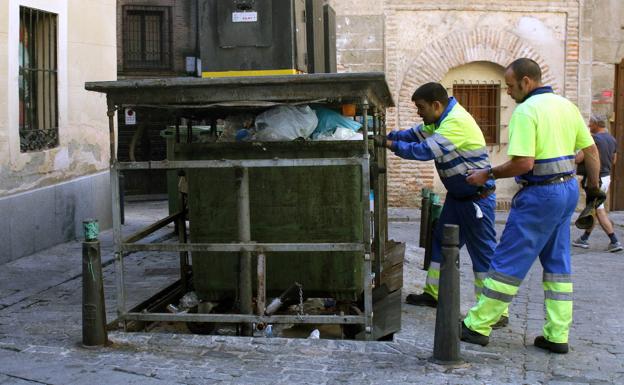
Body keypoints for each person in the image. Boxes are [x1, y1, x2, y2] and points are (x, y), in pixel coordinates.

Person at [460, 58, 604, 354]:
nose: (509, 92)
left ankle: (477, 325)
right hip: (566, 192)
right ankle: (557, 334)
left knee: (508, 259)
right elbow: (590, 150)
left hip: (541, 194)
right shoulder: (567, 106)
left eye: (511, 86)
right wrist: (592, 188)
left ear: (527, 82)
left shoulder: (526, 111)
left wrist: (486, 174)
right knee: (558, 264)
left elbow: (523, 163)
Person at [378, 82, 508, 327]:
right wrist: (390, 136)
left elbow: (424, 150)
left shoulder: (455, 123)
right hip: (459, 198)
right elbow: (414, 134)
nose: (419, 112)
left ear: (436, 105)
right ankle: (434, 294)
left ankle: (496, 311)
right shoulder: (438, 121)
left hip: (476, 200)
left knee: (483, 254)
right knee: (440, 242)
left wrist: (388, 145)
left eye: (421, 107)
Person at [572, 113, 622, 252]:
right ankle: (584, 238)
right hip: (606, 177)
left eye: (590, 123)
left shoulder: (592, 139)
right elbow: (614, 160)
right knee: (592, 209)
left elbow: (578, 159)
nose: (588, 125)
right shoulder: (612, 139)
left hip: (595, 179)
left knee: (598, 210)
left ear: (596, 124)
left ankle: (614, 241)